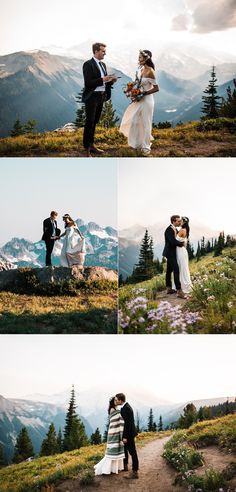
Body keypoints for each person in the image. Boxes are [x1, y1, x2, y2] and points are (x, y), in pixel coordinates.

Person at [120, 50, 159, 155]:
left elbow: (156, 88)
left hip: (147, 100)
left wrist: (144, 93)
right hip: (139, 99)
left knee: (146, 123)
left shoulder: (150, 71)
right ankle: (137, 143)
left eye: (140, 57)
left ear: (146, 58)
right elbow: (138, 83)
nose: (138, 59)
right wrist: (130, 89)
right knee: (135, 120)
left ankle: (146, 146)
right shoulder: (141, 69)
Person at [82, 42, 118, 157]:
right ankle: (86, 148)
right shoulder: (88, 64)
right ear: (96, 51)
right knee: (89, 122)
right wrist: (103, 79)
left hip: (101, 96)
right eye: (103, 51)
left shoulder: (103, 65)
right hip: (92, 97)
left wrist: (110, 81)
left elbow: (104, 81)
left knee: (95, 121)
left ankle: (92, 144)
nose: (105, 53)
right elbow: (88, 83)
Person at [94, 397, 125, 475]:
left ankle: (114, 468)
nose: (116, 401)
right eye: (114, 400)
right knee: (111, 452)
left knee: (115, 451)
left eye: (116, 400)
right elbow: (117, 421)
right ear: (112, 402)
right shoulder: (112, 410)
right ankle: (106, 469)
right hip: (113, 433)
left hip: (115, 432)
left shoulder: (116, 409)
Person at [115, 393, 139, 479]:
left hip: (128, 434)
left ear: (121, 400)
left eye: (117, 399)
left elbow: (127, 424)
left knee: (133, 452)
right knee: (125, 450)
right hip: (129, 433)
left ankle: (135, 472)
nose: (116, 401)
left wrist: (125, 437)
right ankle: (125, 466)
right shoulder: (125, 407)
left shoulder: (126, 409)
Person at [162, 215, 186, 299]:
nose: (180, 222)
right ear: (173, 221)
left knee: (169, 270)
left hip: (172, 252)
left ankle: (168, 288)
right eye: (178, 221)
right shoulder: (169, 230)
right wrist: (181, 244)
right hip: (170, 253)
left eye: (180, 221)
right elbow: (172, 242)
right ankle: (179, 291)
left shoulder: (175, 229)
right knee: (176, 269)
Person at [175, 217, 193, 294]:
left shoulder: (182, 230)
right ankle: (182, 285)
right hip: (181, 251)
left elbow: (174, 241)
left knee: (181, 268)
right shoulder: (185, 230)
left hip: (180, 251)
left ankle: (184, 286)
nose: (179, 222)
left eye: (181, 221)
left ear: (184, 222)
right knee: (182, 268)